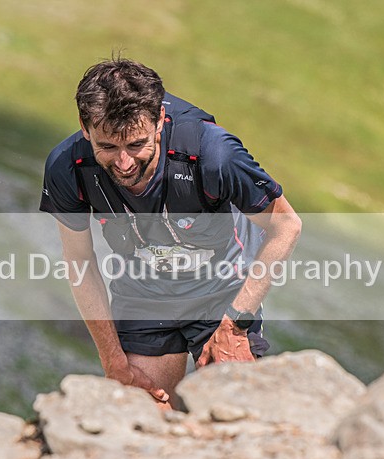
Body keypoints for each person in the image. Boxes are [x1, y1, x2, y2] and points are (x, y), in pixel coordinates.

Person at [40, 58, 301, 410]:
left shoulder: (213, 154)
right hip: (143, 293)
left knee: (234, 415)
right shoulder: (67, 168)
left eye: (136, 145)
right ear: (85, 128)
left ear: (160, 120)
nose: (123, 163)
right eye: (107, 147)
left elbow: (286, 225)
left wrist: (236, 323)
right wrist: (113, 362)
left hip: (221, 290)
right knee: (141, 417)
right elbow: (80, 261)